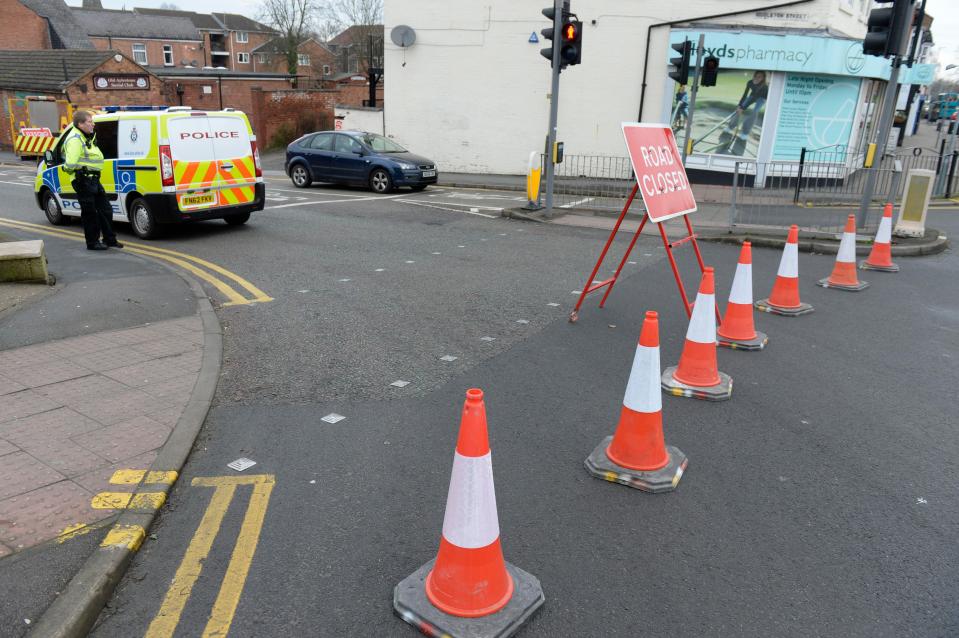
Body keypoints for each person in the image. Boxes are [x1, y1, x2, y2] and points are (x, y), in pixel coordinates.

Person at [62, 110, 123, 251]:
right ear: (80, 124)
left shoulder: (86, 137)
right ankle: (92, 242)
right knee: (90, 213)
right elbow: (70, 163)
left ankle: (109, 239)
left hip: (93, 179)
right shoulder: (75, 139)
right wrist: (71, 170)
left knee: (106, 210)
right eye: (90, 122)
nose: (93, 125)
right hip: (83, 180)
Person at [719, 71, 769, 156]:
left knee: (754, 112)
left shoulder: (765, 86)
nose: (757, 78)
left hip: (762, 98)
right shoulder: (750, 82)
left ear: (763, 78)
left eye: (760, 77)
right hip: (753, 95)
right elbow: (745, 95)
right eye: (756, 76)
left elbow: (762, 96)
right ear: (754, 76)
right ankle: (730, 127)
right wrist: (740, 106)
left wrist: (743, 108)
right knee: (738, 109)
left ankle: (744, 133)